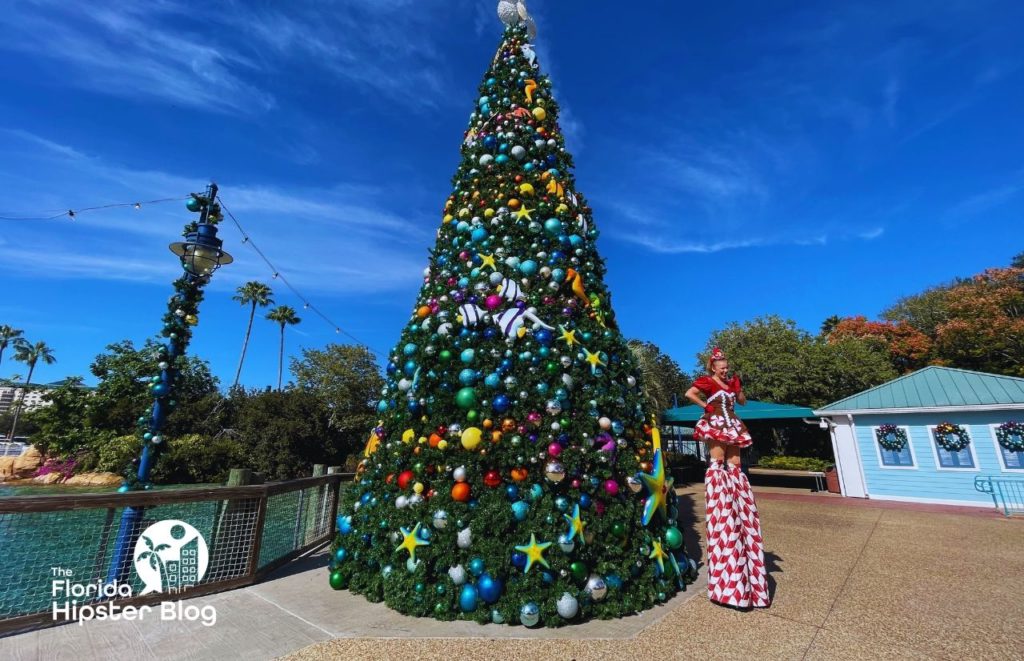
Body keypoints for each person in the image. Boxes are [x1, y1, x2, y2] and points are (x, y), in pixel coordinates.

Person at [685, 347, 770, 609]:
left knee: (736, 461)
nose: (724, 368)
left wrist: (739, 388)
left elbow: (742, 402)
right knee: (718, 459)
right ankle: (720, 487)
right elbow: (689, 393)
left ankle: (736, 485)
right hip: (716, 420)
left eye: (726, 365)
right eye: (721, 365)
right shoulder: (708, 382)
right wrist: (706, 405)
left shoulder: (731, 382)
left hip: (732, 420)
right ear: (713, 367)